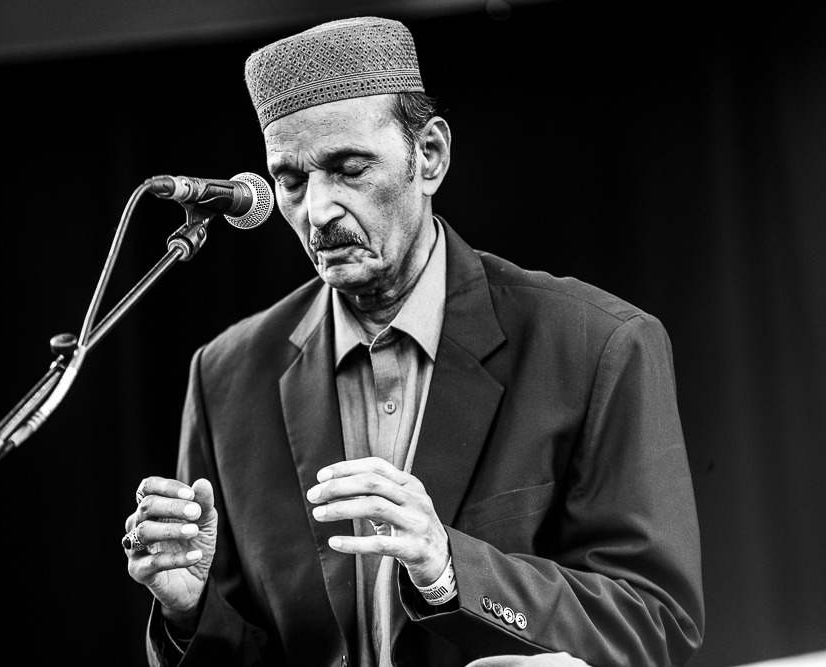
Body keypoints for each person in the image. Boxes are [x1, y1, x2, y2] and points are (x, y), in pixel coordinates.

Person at [122, 16, 703, 667]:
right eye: (290, 181)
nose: (317, 210)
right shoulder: (226, 375)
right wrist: (190, 613)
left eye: (348, 169)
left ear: (429, 156)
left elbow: (654, 626)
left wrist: (451, 567)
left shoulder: (598, 344)